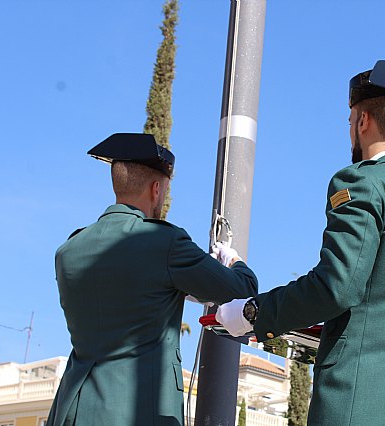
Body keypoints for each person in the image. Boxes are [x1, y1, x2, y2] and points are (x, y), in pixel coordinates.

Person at [216, 61, 385, 426]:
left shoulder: (361, 183)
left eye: (350, 120)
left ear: (363, 121)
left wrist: (251, 314)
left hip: (359, 405)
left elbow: (335, 287)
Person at [48, 133, 258, 426]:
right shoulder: (165, 243)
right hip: (139, 411)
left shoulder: (69, 250)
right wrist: (232, 260)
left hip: (73, 410)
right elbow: (243, 290)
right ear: (156, 189)